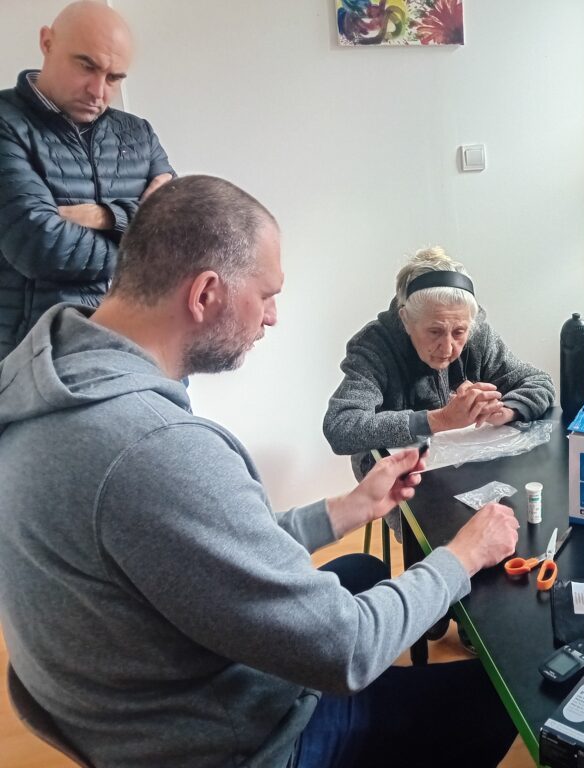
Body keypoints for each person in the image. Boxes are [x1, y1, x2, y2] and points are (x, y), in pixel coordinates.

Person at [0, 175, 520, 767]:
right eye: (267, 294)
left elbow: (202, 543)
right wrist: (463, 555)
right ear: (205, 294)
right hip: (242, 742)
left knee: (366, 569)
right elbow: (346, 649)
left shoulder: (54, 380)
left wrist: (347, 509)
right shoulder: (154, 447)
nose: (272, 317)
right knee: (502, 692)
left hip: (140, 702)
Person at [0, 1, 174, 359]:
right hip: (40, 360)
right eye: (86, 66)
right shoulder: (5, 122)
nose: (98, 91)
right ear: (47, 42)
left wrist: (107, 216)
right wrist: (145, 241)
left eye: (114, 78)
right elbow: (38, 246)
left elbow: (180, 230)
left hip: (141, 352)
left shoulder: (138, 133)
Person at [323, 246, 556, 480]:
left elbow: (539, 382)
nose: (447, 348)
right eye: (434, 331)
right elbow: (341, 427)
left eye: (459, 332)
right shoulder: (374, 345)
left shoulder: (478, 336)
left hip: (457, 463)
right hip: (389, 476)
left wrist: (506, 410)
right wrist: (441, 419)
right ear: (406, 319)